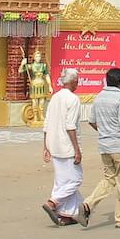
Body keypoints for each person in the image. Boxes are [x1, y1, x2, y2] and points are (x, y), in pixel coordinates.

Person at [82, 67, 120, 229]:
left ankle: (88, 204)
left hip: (104, 147)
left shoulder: (99, 97)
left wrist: (104, 131)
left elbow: (91, 121)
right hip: (119, 147)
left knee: (109, 179)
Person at [40, 69, 84, 226]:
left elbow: (46, 124)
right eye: (77, 81)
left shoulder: (55, 98)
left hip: (53, 144)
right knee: (75, 180)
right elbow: (70, 126)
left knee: (62, 182)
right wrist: (77, 149)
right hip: (67, 146)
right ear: (73, 82)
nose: (77, 84)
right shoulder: (73, 99)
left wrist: (45, 146)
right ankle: (53, 202)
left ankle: (66, 215)